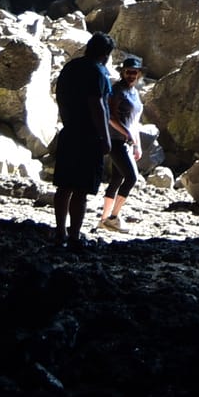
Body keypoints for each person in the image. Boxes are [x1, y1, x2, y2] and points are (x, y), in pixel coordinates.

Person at [50, 31, 116, 248]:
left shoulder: (70, 67)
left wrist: (67, 120)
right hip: (88, 137)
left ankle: (60, 232)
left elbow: (59, 96)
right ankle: (75, 236)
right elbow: (97, 105)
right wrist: (105, 138)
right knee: (80, 189)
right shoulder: (98, 72)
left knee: (64, 186)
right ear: (106, 53)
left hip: (69, 131)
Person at [98, 57, 145, 231]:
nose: (132, 75)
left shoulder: (135, 92)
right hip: (117, 141)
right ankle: (114, 217)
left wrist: (137, 144)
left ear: (139, 74)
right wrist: (127, 134)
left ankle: (103, 220)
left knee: (117, 179)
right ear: (122, 72)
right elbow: (110, 117)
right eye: (128, 72)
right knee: (131, 177)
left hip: (127, 141)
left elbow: (135, 121)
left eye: (134, 72)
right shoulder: (117, 90)